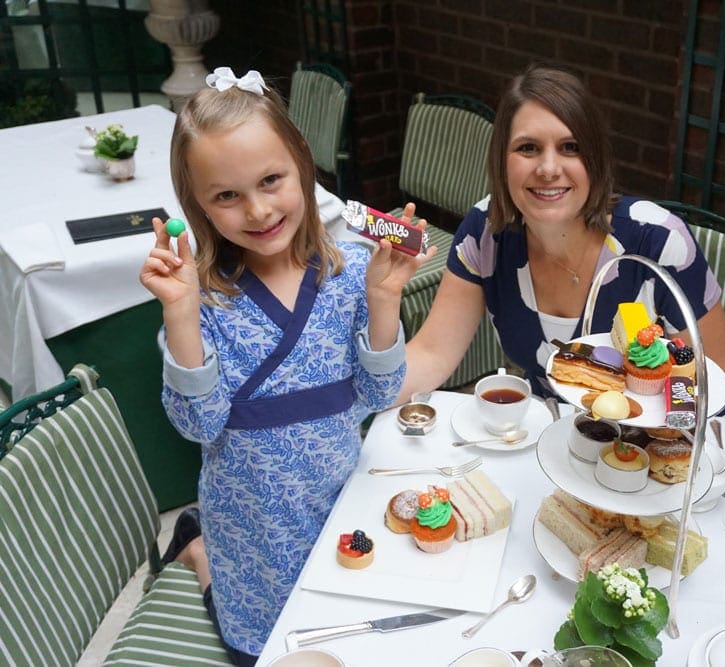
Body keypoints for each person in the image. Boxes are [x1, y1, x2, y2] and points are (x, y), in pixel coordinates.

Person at [139, 67, 430, 663]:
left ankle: (197, 543)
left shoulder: (350, 271)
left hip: (336, 501)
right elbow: (198, 425)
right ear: (197, 206)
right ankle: (202, 552)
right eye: (227, 195)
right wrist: (180, 315)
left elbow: (380, 394)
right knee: (266, 649)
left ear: (303, 166)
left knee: (354, 637)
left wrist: (383, 298)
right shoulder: (203, 298)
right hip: (253, 533)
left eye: (272, 180)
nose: (258, 209)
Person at [398, 63, 725, 403]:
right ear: (502, 159)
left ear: (596, 159)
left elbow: (713, 377)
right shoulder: (486, 233)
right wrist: (356, 393)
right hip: (555, 438)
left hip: (664, 441)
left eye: (570, 147)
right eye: (528, 148)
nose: (548, 169)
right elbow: (431, 352)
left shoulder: (659, 241)